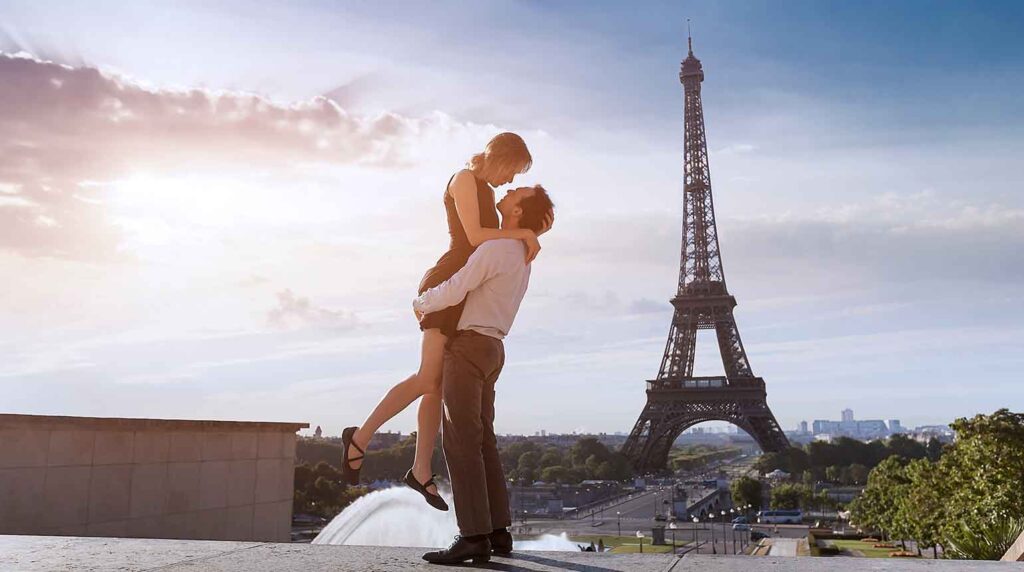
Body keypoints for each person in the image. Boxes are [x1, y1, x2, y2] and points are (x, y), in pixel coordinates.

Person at [341, 133, 549, 511]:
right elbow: (473, 237)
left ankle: (420, 470)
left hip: (461, 286)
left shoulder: (485, 189)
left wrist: (525, 229)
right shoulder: (465, 179)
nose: (510, 182)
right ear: (499, 157)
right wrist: (522, 230)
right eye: (511, 172)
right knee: (426, 378)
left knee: (434, 383)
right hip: (447, 281)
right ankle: (361, 436)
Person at [418, 185, 555, 565]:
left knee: (461, 443)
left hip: (468, 346)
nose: (509, 189)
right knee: (484, 443)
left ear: (516, 212)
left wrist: (421, 302)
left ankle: (474, 536)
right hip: (494, 349)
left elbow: (455, 288)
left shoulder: (495, 249)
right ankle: (497, 530)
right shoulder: (523, 255)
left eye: (517, 192)